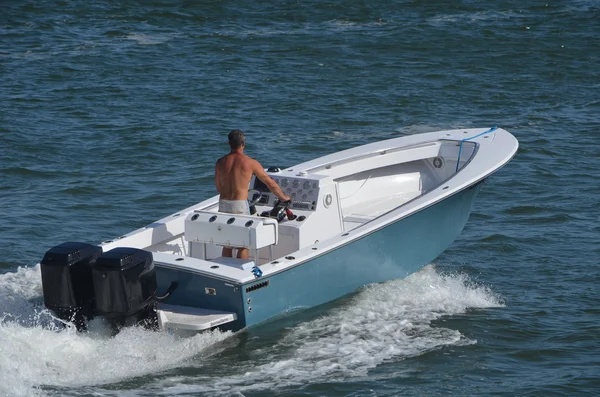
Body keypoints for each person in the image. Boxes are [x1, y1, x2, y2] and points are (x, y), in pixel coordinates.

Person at [215, 129, 290, 259]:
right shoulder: (250, 163)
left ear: (229, 143)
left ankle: (226, 268)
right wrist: (284, 198)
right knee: (243, 244)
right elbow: (270, 183)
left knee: (227, 243)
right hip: (239, 206)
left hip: (223, 204)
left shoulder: (220, 162)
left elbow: (219, 188)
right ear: (243, 144)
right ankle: (240, 272)